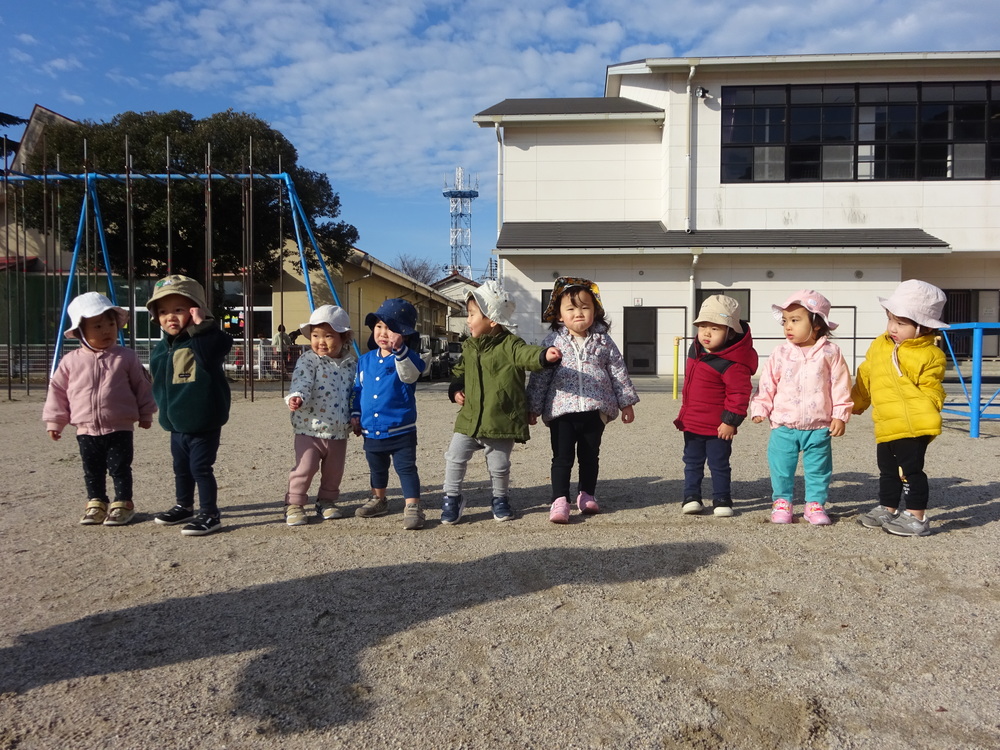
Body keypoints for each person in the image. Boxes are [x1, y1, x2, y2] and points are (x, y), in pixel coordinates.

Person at [442, 281, 561, 524]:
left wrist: (543, 356)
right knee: (454, 457)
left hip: (500, 419)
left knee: (498, 466)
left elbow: (526, 354)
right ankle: (451, 498)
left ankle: (500, 498)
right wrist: (456, 390)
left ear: (492, 320)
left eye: (473, 314)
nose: (468, 319)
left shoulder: (510, 344)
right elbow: (459, 373)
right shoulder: (469, 346)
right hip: (470, 418)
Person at [527, 277, 639, 523]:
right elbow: (540, 376)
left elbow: (618, 371)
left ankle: (587, 494)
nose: (578, 313)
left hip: (594, 409)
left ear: (595, 312)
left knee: (590, 455)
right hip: (562, 411)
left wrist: (626, 402)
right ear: (559, 316)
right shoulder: (552, 342)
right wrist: (533, 408)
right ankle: (560, 500)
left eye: (585, 307)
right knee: (562, 456)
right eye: (571, 308)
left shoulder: (603, 341)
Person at [42, 292, 157, 526]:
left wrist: (146, 413)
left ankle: (123, 503)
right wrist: (55, 422)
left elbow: (143, 386)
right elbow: (58, 392)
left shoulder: (126, 357)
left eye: (111, 324)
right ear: (81, 332)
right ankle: (96, 502)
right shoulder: (71, 361)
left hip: (120, 426)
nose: (106, 331)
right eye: (97, 326)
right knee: (92, 469)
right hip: (85, 428)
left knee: (120, 467)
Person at [851, 279, 949, 537]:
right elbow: (865, 376)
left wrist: (929, 409)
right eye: (891, 320)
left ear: (923, 326)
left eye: (902, 323)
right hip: (887, 422)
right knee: (887, 470)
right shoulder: (880, 345)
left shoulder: (930, 354)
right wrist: (853, 404)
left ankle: (917, 517)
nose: (893, 328)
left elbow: (933, 387)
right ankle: (888, 507)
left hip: (914, 424)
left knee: (911, 471)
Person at [751, 290, 853, 525]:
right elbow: (768, 382)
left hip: (819, 425)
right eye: (785, 321)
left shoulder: (831, 352)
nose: (788, 326)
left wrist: (840, 415)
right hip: (784, 424)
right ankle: (782, 501)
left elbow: (840, 385)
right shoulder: (781, 352)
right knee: (781, 467)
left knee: (819, 469)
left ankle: (815, 504)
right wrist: (760, 407)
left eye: (795, 320)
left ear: (817, 324)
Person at [146, 275, 233, 536]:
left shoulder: (206, 341)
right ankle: (184, 504)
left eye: (179, 310)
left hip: (203, 421)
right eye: (163, 312)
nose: (170, 317)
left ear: (196, 310)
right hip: (176, 424)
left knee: (200, 468)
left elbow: (213, 351)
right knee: (180, 467)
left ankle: (210, 514)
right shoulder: (163, 348)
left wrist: (201, 326)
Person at [674, 295, 758, 517]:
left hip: (718, 427)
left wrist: (730, 421)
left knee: (719, 464)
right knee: (691, 462)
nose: (706, 333)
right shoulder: (697, 350)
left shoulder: (733, 362)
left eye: (715, 328)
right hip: (692, 422)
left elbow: (739, 394)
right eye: (702, 326)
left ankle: (722, 499)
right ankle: (691, 497)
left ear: (731, 332)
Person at [350, 299, 427, 530]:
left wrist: (400, 350)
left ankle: (413, 505)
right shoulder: (364, 360)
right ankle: (379, 498)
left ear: (403, 333)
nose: (384, 333)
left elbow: (411, 375)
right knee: (376, 467)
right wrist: (355, 413)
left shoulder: (408, 358)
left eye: (391, 328)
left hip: (400, 428)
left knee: (405, 468)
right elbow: (358, 389)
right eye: (379, 327)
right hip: (371, 429)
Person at [283, 306, 357, 526]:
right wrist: (296, 397)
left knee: (334, 471)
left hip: (338, 429)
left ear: (343, 338)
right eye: (315, 336)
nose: (320, 341)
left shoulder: (351, 363)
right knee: (305, 468)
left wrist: (358, 415)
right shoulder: (309, 360)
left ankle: (326, 501)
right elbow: (301, 382)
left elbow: (355, 392)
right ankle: (294, 504)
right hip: (310, 427)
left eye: (328, 336)